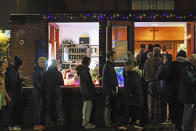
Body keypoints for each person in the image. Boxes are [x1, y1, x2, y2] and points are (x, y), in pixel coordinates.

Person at [118, 52, 144, 130]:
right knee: (133, 110)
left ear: (130, 66)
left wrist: (130, 93)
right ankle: (135, 124)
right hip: (134, 96)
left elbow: (133, 85)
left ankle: (132, 124)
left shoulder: (133, 74)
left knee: (131, 110)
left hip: (133, 96)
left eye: (125, 66)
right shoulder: (134, 73)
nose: (124, 67)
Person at [163, 50, 187, 131]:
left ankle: (173, 123)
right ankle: (179, 124)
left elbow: (166, 77)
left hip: (172, 91)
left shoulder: (172, 64)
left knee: (172, 107)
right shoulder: (187, 65)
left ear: (177, 56)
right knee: (181, 108)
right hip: (183, 91)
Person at [143, 47, 163, 123]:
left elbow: (144, 74)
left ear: (153, 52)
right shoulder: (161, 61)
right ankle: (158, 117)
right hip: (159, 83)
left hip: (150, 83)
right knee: (159, 100)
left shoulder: (148, 61)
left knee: (151, 101)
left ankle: (150, 117)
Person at [76, 56, 96, 129]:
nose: (90, 62)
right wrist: (92, 88)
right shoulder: (85, 70)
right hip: (87, 91)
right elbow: (88, 82)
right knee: (88, 106)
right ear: (87, 62)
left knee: (85, 106)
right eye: (89, 61)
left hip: (84, 90)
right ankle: (87, 122)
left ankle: (84, 121)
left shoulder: (82, 70)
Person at [43, 59, 64, 128]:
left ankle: (49, 122)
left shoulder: (46, 73)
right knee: (58, 108)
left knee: (48, 108)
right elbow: (62, 83)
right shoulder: (58, 73)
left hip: (48, 93)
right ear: (56, 65)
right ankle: (59, 122)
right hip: (57, 92)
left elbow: (43, 82)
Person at [6, 56, 24, 131]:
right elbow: (14, 82)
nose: (21, 67)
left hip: (13, 94)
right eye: (20, 65)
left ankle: (12, 125)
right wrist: (21, 80)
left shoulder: (13, 70)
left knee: (13, 110)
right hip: (12, 94)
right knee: (12, 111)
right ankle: (11, 125)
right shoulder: (12, 70)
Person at [102, 51, 119, 127]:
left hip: (109, 89)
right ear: (110, 57)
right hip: (109, 90)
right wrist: (113, 89)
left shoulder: (108, 65)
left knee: (109, 106)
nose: (115, 57)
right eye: (114, 56)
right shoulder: (109, 66)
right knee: (108, 106)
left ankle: (108, 122)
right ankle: (107, 122)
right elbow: (110, 79)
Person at [157, 53, 173, 124]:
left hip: (164, 86)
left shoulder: (162, 66)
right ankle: (171, 118)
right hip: (173, 88)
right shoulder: (174, 66)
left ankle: (163, 119)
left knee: (163, 104)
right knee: (172, 104)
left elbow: (158, 76)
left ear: (166, 59)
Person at [32, 57, 46, 130]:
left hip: (39, 92)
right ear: (39, 63)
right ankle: (36, 124)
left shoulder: (41, 70)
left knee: (39, 109)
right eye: (43, 62)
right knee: (37, 109)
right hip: (37, 93)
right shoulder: (37, 71)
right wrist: (41, 89)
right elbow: (36, 82)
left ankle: (38, 124)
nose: (44, 64)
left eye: (45, 62)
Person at [0, 60, 11, 130]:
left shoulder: (3, 75)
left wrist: (7, 97)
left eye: (4, 66)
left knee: (3, 115)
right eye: (2, 66)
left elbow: (3, 88)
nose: (4, 67)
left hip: (2, 99)